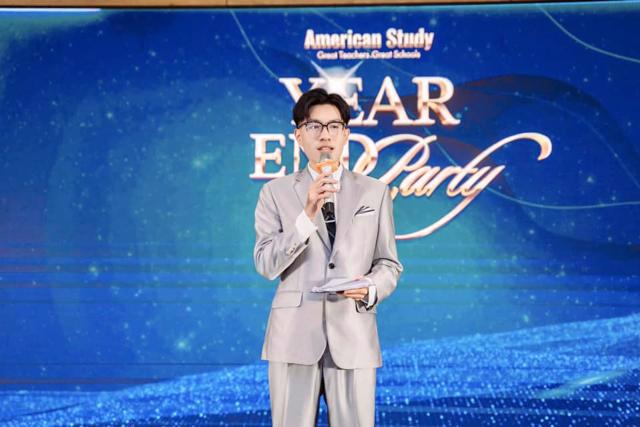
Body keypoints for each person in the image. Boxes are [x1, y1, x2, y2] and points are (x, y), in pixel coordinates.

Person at [253, 88, 403, 426]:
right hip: (292, 337)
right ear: (298, 136)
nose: (325, 135)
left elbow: (389, 264)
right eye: (314, 126)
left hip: (353, 333)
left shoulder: (375, 192)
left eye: (334, 126)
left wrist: (369, 287)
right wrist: (307, 215)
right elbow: (265, 263)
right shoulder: (274, 192)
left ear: (346, 134)